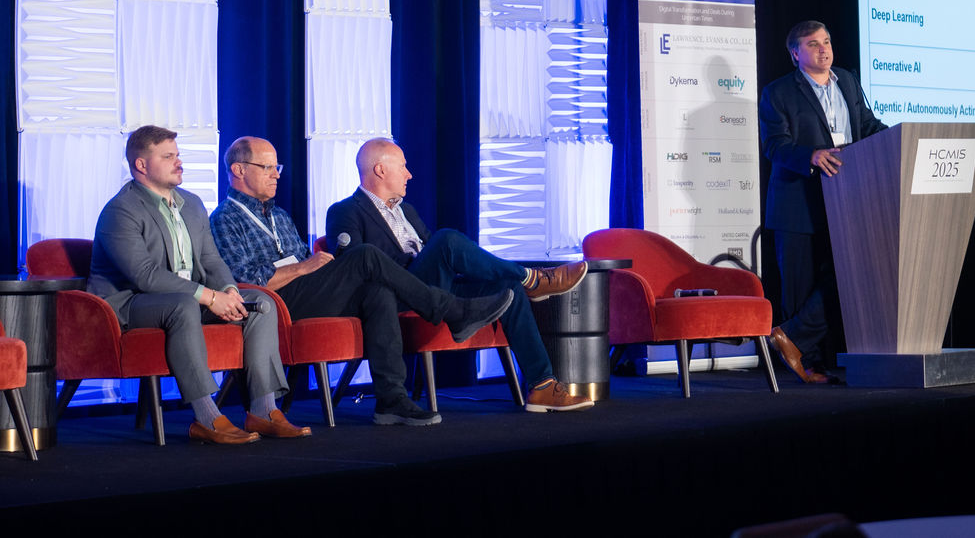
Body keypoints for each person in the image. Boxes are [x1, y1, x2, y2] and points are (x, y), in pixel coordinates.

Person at [210, 137, 514, 426]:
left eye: (277, 167)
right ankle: (450, 310)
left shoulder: (279, 216)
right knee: (365, 254)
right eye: (267, 167)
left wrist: (318, 269)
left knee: (377, 292)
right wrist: (304, 267)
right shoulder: (225, 218)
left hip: (308, 291)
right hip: (274, 304)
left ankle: (391, 400)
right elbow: (242, 281)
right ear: (239, 170)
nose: (276, 175)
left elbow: (304, 261)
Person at [325, 138, 595, 413]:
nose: (409, 174)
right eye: (403, 166)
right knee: (445, 240)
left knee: (508, 288)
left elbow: (435, 257)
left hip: (436, 290)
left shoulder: (407, 211)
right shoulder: (344, 212)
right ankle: (533, 279)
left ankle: (543, 385)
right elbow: (356, 267)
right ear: (380, 170)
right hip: (394, 298)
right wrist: (423, 260)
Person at [88, 125, 309, 444]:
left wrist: (229, 291)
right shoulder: (120, 210)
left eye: (177, 155)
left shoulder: (191, 204)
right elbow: (145, 275)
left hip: (187, 298)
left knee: (260, 304)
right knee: (183, 305)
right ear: (141, 165)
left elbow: (211, 260)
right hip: (130, 304)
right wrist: (209, 297)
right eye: (168, 157)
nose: (179, 162)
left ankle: (263, 410)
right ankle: (207, 418)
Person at [759, 21, 887, 383]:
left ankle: (791, 337)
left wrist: (900, 137)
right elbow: (774, 145)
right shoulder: (778, 92)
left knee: (845, 278)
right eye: (813, 44)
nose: (824, 49)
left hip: (847, 199)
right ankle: (810, 364)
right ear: (795, 53)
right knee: (799, 288)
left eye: (827, 41)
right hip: (797, 203)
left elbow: (866, 125)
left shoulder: (847, 80)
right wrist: (811, 155)